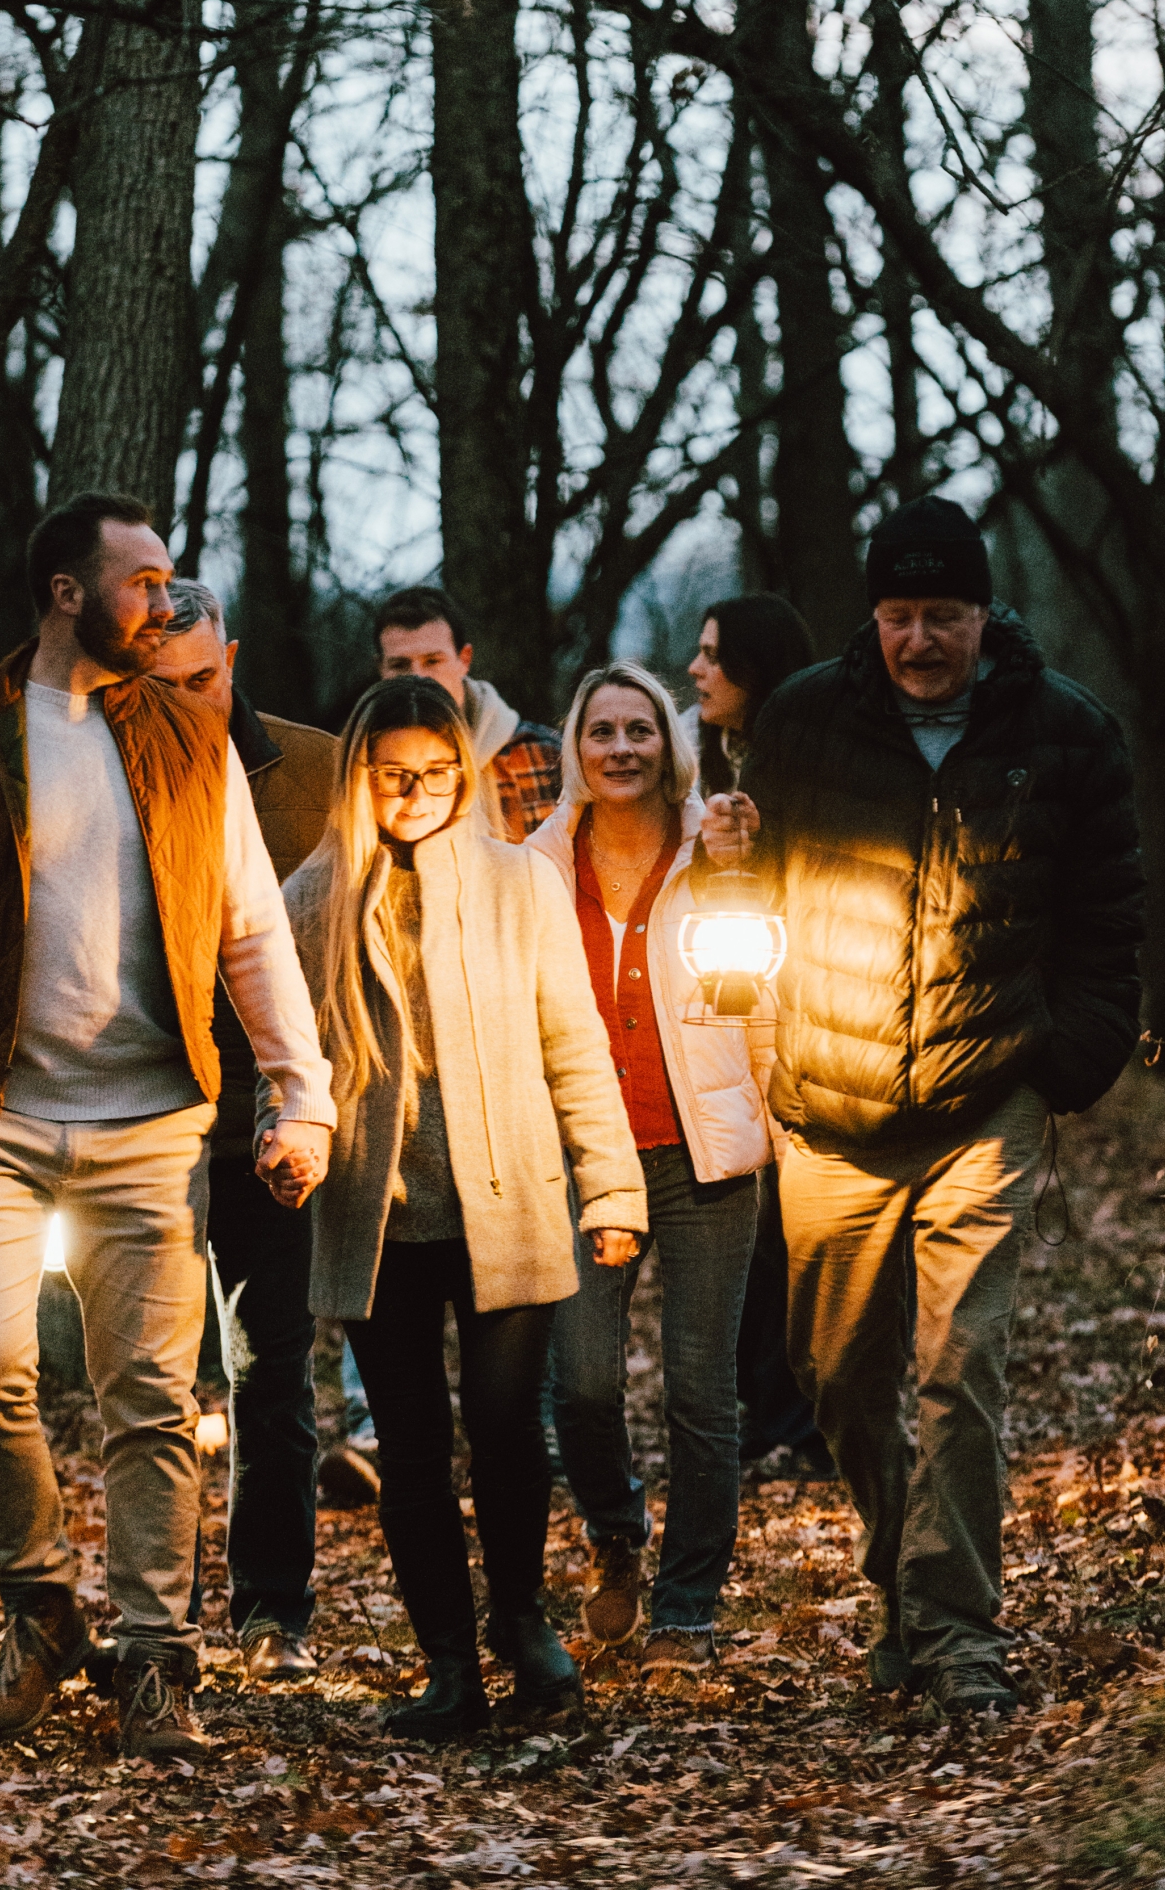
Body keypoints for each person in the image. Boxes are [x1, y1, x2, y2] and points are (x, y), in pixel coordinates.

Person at [0, 493, 335, 1759]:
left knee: (153, 1400)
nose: (166, 601)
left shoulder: (188, 738)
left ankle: (159, 1660)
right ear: (66, 591)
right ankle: (40, 1606)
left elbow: (251, 933)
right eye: (144, 577)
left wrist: (304, 1090)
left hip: (152, 1121)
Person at [699, 493, 1144, 1718]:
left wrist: (1064, 1060)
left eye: (939, 614)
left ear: (980, 612)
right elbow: (747, 880)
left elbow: (1107, 922)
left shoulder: (1063, 734)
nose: (916, 640)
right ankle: (902, 1563)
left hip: (982, 1101)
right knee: (836, 1373)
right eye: (896, 615)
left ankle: (956, 1634)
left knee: (961, 1370)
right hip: (829, 1108)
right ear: (873, 616)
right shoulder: (799, 724)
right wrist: (730, 859)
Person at [274, 675, 647, 1740]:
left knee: (503, 1425)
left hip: (508, 1202)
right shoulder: (313, 899)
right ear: (361, 777)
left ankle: (522, 1622)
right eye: (394, 777)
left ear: (462, 771)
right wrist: (285, 1134)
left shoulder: (516, 884)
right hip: (379, 1214)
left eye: (436, 774)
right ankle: (447, 1662)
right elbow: (287, 1059)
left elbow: (574, 1044)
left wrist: (610, 1185)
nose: (417, 795)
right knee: (410, 1444)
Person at [528, 663, 770, 1674]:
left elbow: (767, 981)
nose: (620, 748)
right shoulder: (535, 865)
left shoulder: (715, 848)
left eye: (639, 730)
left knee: (699, 1392)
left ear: (667, 747)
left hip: (705, 1152)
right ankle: (615, 1529)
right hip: (586, 1155)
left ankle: (686, 1606)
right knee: (579, 1382)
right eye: (601, 731)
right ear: (575, 749)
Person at [152, 579, 352, 1683]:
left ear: (230, 656)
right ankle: (159, 1615)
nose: (182, 701)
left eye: (199, 678)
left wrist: (316, 1100)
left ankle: (274, 1611)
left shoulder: (316, 773)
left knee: (271, 1368)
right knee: (155, 1382)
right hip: (150, 1124)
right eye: (156, 683)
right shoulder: (110, 769)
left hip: (274, 1123)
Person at [684, 593, 831, 1478]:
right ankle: (763, 1410)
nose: (697, 669)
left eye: (713, 655)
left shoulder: (792, 761)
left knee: (789, 1237)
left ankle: (796, 1416)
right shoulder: (707, 760)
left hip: (801, 1020)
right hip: (719, 1020)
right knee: (746, 1231)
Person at [374, 584, 562, 841]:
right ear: (381, 669)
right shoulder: (362, 767)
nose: (417, 678)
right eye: (400, 665)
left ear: (464, 659)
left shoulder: (544, 758)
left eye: (432, 661)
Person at [687, 592, 815, 797]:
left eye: (711, 655)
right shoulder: (680, 746)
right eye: (700, 652)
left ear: (758, 667)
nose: (693, 668)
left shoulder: (824, 756)